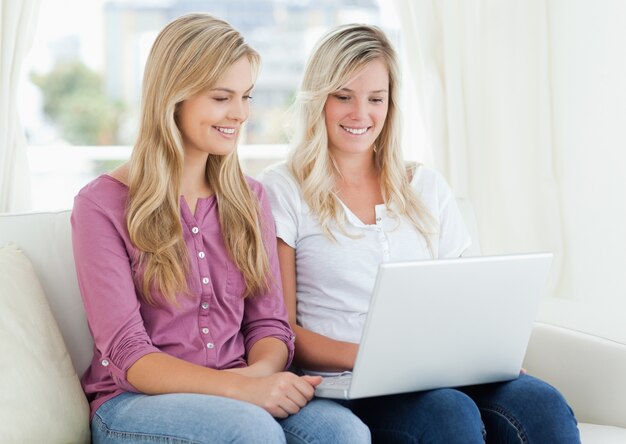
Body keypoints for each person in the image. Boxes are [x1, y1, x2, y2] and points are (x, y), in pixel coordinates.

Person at [259, 23, 581, 443]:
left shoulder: (425, 186)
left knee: (543, 403)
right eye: (343, 97)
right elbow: (282, 329)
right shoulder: (283, 190)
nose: (361, 114)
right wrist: (381, 360)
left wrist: (484, 351)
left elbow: (469, 295)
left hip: (438, 370)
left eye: (376, 98)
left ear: (391, 105)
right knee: (447, 414)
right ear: (318, 100)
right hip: (348, 382)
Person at [71, 14, 370, 444]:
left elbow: (270, 327)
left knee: (342, 432)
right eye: (221, 97)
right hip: (134, 403)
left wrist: (256, 378)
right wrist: (241, 391)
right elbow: (130, 357)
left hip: (241, 385)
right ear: (174, 97)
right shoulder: (101, 205)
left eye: (245, 96)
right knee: (250, 430)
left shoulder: (251, 198)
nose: (240, 113)